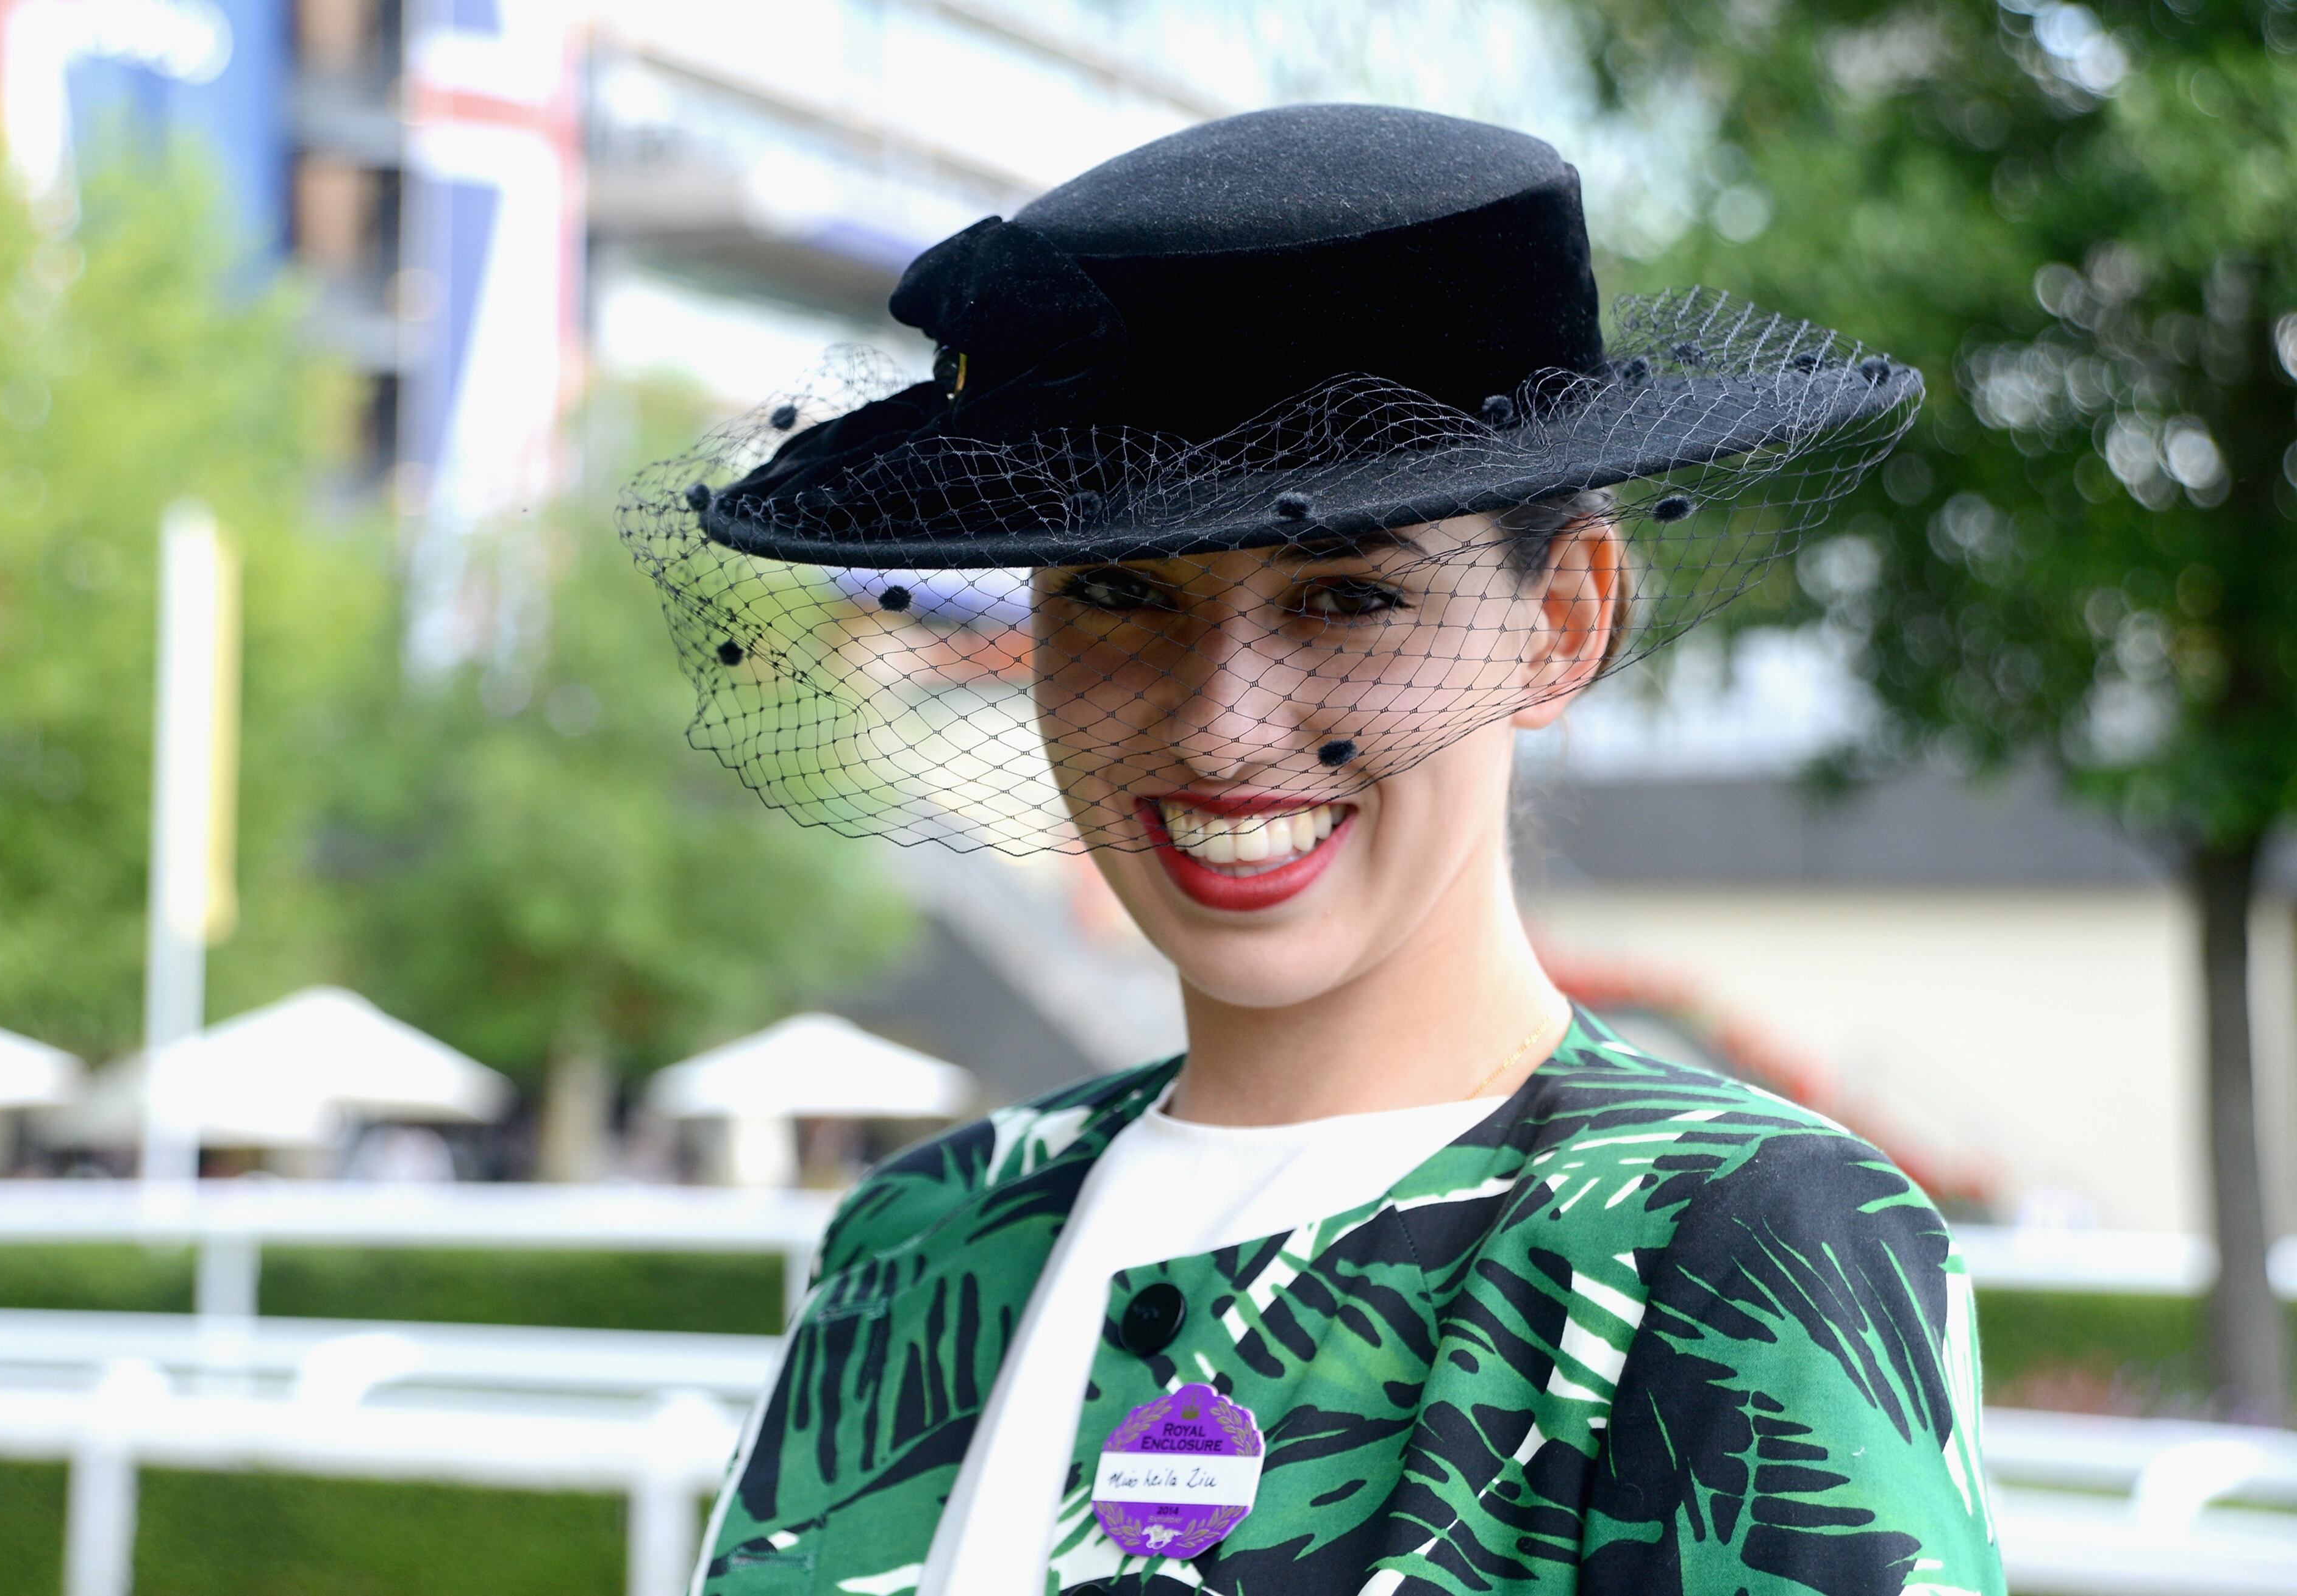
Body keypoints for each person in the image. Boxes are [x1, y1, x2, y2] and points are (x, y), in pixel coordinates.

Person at [627, 104, 1998, 1596]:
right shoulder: (918, 1237)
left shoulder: (1734, 1244)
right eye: (1120, 594)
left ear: (1563, 620)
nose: (1222, 728)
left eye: (1344, 599)